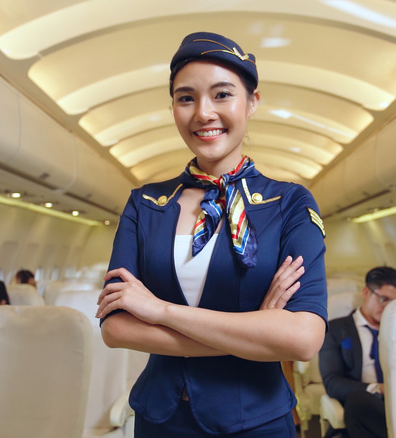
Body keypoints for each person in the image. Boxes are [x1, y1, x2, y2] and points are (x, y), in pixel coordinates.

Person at [97, 32, 328, 437]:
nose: (203, 113)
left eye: (222, 95)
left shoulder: (288, 203)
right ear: (173, 107)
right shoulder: (146, 204)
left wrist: (161, 311)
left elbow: (303, 339)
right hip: (161, 419)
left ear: (252, 102)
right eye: (186, 98)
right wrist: (257, 328)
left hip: (256, 420)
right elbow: (115, 328)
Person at [318, 267, 396, 438]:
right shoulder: (336, 330)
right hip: (364, 401)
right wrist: (378, 388)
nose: (388, 308)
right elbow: (332, 383)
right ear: (366, 292)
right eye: (384, 299)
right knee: (358, 400)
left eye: (395, 303)